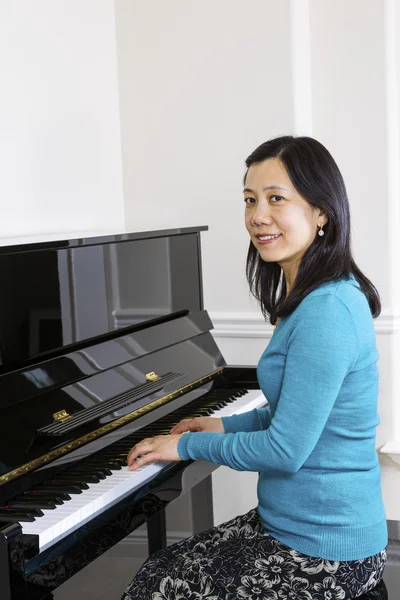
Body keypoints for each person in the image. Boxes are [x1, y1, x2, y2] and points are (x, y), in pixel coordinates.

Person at [121, 136, 388, 600]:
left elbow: (285, 450)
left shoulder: (328, 311)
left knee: (158, 586)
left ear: (322, 211)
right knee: (159, 570)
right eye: (250, 200)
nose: (257, 215)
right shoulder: (308, 298)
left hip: (328, 552)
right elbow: (290, 413)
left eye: (276, 199)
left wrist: (185, 445)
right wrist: (220, 424)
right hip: (292, 527)